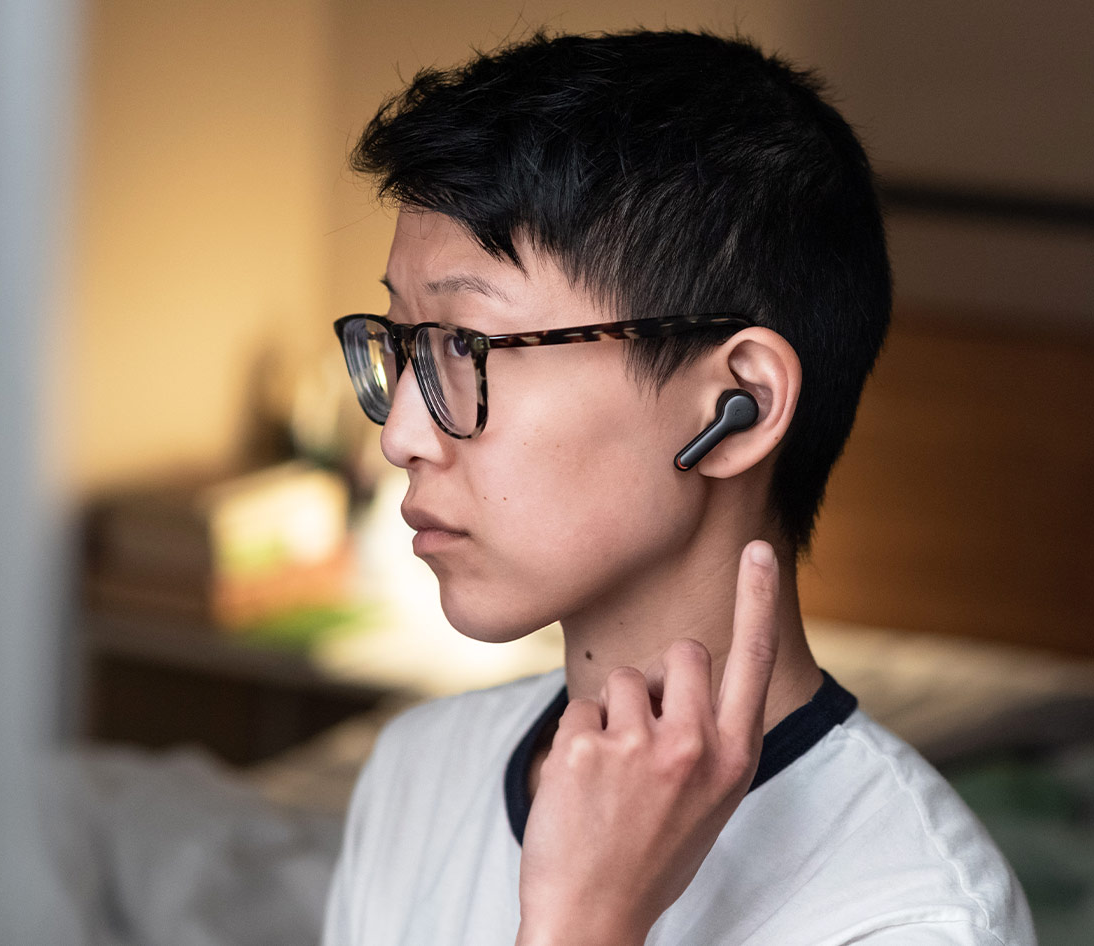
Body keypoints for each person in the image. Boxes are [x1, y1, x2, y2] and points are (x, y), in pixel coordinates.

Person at [321, 26, 1036, 946]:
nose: (400, 435)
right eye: (402, 344)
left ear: (739, 404)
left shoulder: (917, 918)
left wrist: (586, 921)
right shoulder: (419, 769)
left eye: (464, 346)